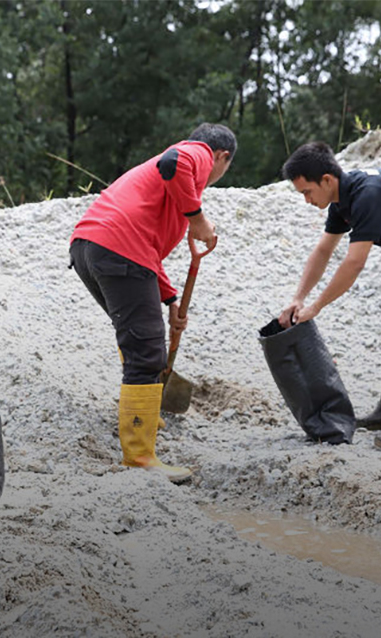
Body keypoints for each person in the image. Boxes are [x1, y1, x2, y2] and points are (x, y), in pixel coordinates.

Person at [69, 123, 237, 482]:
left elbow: (147, 251)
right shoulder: (197, 154)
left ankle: (142, 411)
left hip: (90, 246)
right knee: (146, 352)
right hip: (116, 248)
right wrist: (198, 219)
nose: (216, 174)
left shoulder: (168, 191)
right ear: (222, 156)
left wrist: (171, 299)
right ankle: (140, 457)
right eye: (223, 167)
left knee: (137, 338)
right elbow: (174, 161)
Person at [279, 141, 381, 453]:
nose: (307, 201)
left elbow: (354, 262)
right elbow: (324, 250)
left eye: (307, 192)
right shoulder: (341, 201)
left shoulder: (367, 193)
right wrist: (299, 298)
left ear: (326, 180)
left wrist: (317, 306)